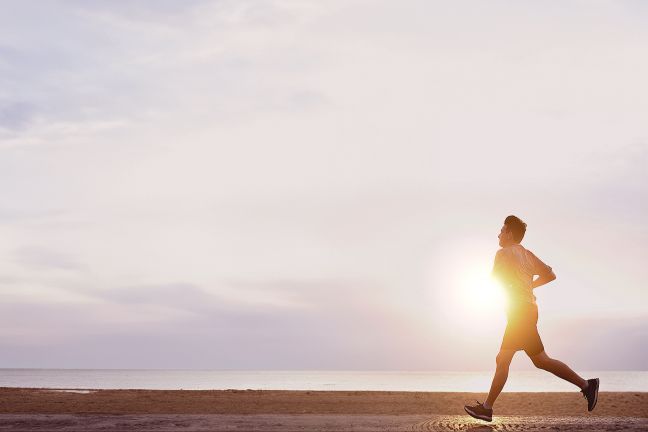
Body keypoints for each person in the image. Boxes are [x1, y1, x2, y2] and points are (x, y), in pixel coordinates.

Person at [464, 215, 599, 422]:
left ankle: (487, 408)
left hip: (519, 313)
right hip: (528, 310)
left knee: (503, 359)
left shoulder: (502, 254)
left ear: (509, 233)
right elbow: (550, 274)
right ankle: (587, 386)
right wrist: (528, 286)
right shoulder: (527, 254)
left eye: (501, 230)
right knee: (540, 360)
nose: (498, 234)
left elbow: (493, 281)